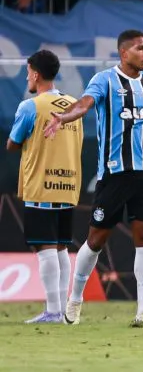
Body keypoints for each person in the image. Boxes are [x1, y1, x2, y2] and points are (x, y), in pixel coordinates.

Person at [42, 30, 143, 326]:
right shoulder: (105, 80)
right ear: (124, 52)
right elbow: (84, 104)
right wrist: (64, 117)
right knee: (97, 239)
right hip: (114, 174)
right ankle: (75, 299)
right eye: (140, 48)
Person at [6, 50, 84, 323]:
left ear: (36, 74)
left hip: (41, 184)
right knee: (61, 247)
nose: (27, 77)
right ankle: (61, 311)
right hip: (68, 184)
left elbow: (13, 143)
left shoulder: (31, 106)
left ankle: (53, 310)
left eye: (28, 72)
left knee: (45, 247)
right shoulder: (74, 105)